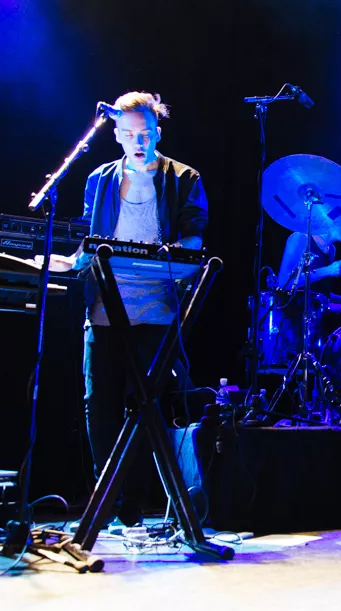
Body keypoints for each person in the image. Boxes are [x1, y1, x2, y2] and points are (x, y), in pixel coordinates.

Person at [50, 91, 208, 528]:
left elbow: (193, 240)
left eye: (146, 133)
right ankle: (111, 502)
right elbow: (89, 242)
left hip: (156, 308)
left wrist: (167, 256)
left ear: (158, 132)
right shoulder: (99, 178)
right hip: (104, 307)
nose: (139, 141)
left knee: (148, 406)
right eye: (129, 134)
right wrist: (64, 262)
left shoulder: (184, 177)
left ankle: (150, 501)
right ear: (117, 135)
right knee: (98, 404)